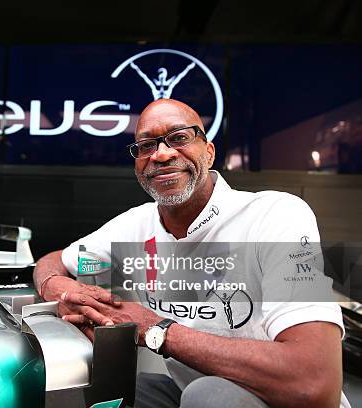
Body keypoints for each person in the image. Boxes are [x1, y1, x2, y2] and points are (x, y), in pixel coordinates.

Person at [33, 99, 350, 408]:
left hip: (276, 399)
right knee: (106, 393)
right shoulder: (134, 227)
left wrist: (156, 329)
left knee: (211, 395)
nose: (161, 154)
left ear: (209, 153)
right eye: (146, 146)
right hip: (187, 389)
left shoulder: (275, 215)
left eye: (179, 137)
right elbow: (55, 261)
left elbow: (314, 385)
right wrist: (58, 287)